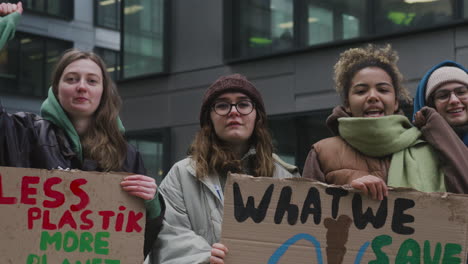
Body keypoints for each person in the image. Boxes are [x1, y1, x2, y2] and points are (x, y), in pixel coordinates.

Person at [0, 3, 163, 257]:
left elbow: (136, 249)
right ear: (56, 89)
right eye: (72, 79)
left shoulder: (127, 155)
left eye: (92, 80)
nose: (81, 87)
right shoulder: (24, 134)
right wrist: (2, 30)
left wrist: (153, 207)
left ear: (103, 91)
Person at [150, 74, 299, 264]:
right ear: (209, 119)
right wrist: (205, 257)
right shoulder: (182, 175)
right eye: (222, 105)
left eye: (243, 104)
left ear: (257, 117)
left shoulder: (285, 178)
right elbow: (167, 235)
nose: (233, 112)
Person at [302, 44, 445, 200]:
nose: (372, 97)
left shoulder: (429, 148)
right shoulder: (322, 153)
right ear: (348, 104)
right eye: (361, 91)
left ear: (396, 102)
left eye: (383, 90)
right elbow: (303, 214)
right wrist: (348, 189)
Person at [413, 60, 468, 193]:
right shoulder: (414, 150)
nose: (454, 100)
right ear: (430, 105)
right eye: (443, 96)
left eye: (461, 92)